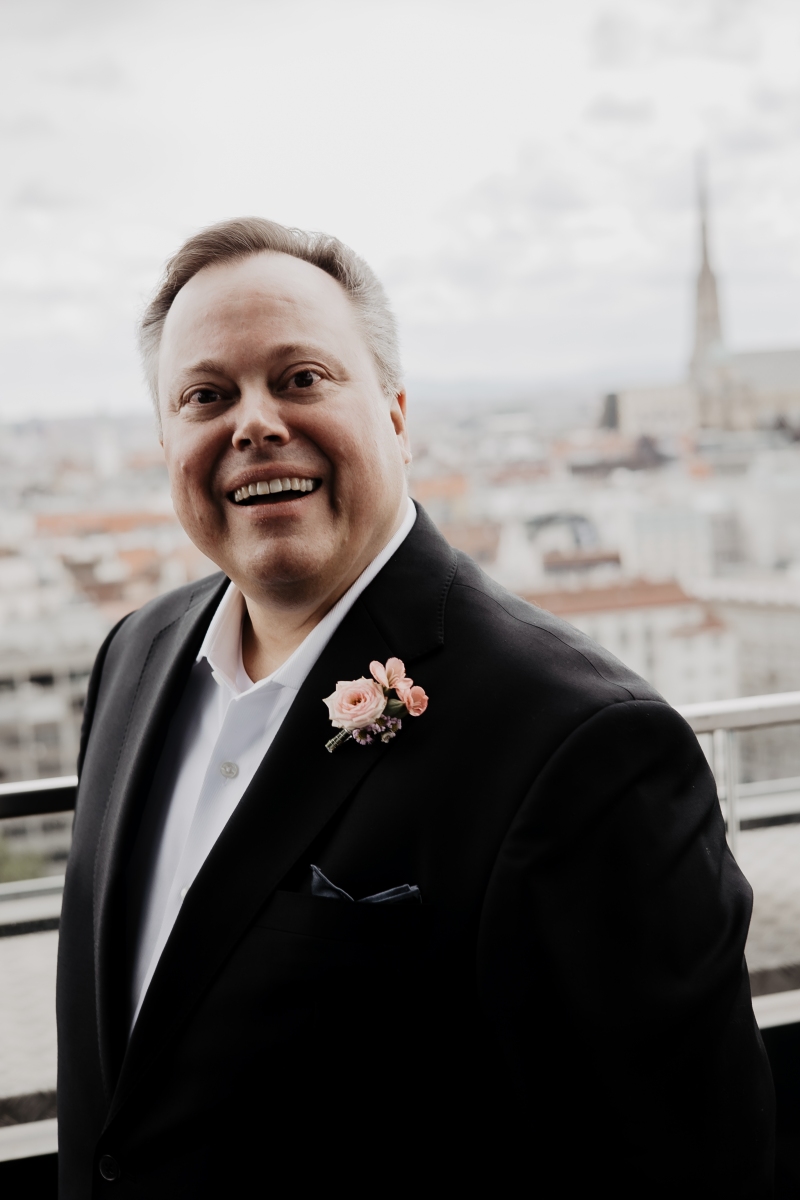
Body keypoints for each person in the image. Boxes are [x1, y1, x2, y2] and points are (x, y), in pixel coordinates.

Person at [57, 217, 773, 1197]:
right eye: (205, 396)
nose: (254, 423)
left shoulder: (584, 744)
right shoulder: (133, 657)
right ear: (165, 440)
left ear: (396, 414)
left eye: (301, 378)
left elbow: (688, 1167)